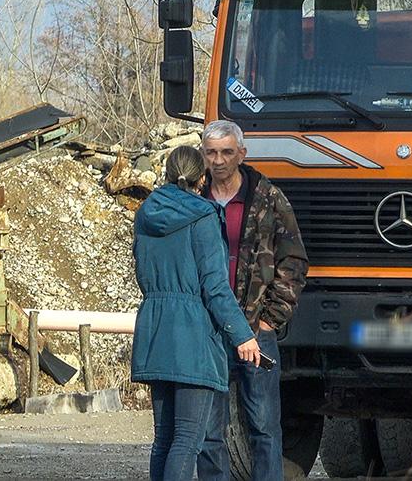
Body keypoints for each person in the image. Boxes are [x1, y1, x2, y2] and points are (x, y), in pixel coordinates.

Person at [132, 145, 262, 481]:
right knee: (188, 439)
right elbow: (215, 287)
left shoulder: (145, 214)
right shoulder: (203, 216)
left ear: (166, 174)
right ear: (201, 177)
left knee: (163, 439)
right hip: (192, 336)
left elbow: (142, 274)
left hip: (155, 329)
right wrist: (243, 335)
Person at [197, 120, 308, 481]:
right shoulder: (193, 198)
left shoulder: (268, 198)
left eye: (227, 152)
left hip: (256, 330)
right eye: (211, 152)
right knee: (209, 431)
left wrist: (269, 320)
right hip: (208, 332)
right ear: (203, 154)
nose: (219, 160)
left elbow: (293, 260)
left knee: (263, 427)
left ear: (241, 154)